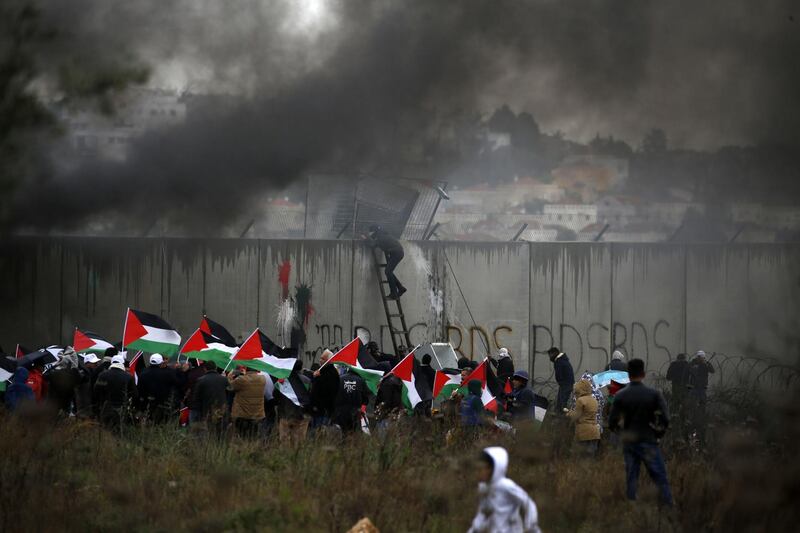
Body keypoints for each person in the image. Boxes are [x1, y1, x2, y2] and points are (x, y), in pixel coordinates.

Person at [608, 358, 673, 506]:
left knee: (631, 476)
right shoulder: (653, 394)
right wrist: (657, 435)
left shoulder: (621, 395)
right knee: (659, 476)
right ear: (643, 374)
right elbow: (666, 419)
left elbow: (612, 421)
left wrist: (622, 433)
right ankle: (667, 506)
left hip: (630, 441)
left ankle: (632, 507)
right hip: (648, 439)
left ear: (629, 375)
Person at [468, 446, 541, 533]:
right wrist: (474, 529)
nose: (478, 473)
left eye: (481, 469)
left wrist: (531, 526)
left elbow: (528, 502)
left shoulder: (506, 486)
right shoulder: (483, 488)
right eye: (477, 469)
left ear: (492, 468)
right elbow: (483, 513)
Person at [137, 354, 185, 423]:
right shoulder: (167, 373)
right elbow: (180, 383)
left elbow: (140, 389)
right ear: (161, 362)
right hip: (163, 404)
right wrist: (180, 371)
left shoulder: (143, 372)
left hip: (147, 403)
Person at [93, 357, 137, 429]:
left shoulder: (102, 375)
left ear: (112, 363)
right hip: (122, 407)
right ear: (122, 364)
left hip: (106, 406)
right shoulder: (128, 377)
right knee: (119, 430)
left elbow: (96, 391)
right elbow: (135, 394)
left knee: (105, 429)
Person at [192, 360, 229, 436]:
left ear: (205, 369)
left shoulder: (201, 380)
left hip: (207, 410)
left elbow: (196, 397)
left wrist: (198, 410)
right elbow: (230, 392)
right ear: (215, 368)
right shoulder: (224, 379)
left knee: (209, 431)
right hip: (221, 409)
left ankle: (210, 445)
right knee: (221, 431)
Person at [368, 225, 406, 300]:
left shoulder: (380, 238)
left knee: (388, 272)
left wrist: (366, 239)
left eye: (372, 234)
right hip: (397, 252)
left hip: (396, 253)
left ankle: (394, 293)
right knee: (389, 272)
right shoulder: (382, 234)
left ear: (375, 233)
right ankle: (401, 288)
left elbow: (372, 245)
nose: (372, 236)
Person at [228, 366, 267, 438]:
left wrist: (229, 377)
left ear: (246, 370)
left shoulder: (241, 379)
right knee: (253, 435)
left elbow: (230, 387)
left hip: (243, 413)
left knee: (242, 435)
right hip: (257, 413)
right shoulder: (262, 379)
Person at [566, 378, 601, 457]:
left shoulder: (581, 400)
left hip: (584, 432)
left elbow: (576, 416)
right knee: (590, 458)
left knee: (580, 457)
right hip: (595, 432)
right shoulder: (594, 400)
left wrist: (569, 414)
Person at [45, 348, 82, 415]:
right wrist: (75, 367)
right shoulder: (73, 374)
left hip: (55, 402)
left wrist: (54, 366)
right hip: (66, 402)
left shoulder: (55, 373)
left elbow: (45, 376)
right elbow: (80, 379)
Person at [688, 350, 715, 443]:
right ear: (697, 357)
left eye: (702, 357)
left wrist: (706, 363)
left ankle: (702, 416)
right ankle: (691, 416)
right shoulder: (693, 363)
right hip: (694, 387)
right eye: (699, 357)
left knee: (702, 404)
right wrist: (694, 366)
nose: (700, 359)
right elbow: (689, 369)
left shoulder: (706, 363)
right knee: (692, 404)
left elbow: (712, 371)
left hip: (702, 387)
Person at [333, 367, 368, 433]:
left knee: (341, 431)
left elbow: (334, 394)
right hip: (355, 412)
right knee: (352, 432)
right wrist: (362, 409)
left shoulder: (340, 378)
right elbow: (365, 399)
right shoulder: (361, 380)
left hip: (340, 411)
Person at [310, 350, 339, 428]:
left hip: (323, 409)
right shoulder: (322, 371)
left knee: (320, 431)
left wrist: (317, 378)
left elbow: (324, 390)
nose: (320, 360)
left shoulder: (330, 373)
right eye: (320, 358)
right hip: (318, 409)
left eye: (323, 359)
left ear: (328, 361)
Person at [665, 353, 691, 425]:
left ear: (677, 359)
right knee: (685, 405)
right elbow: (692, 376)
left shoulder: (674, 365)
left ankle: (673, 423)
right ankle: (685, 421)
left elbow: (668, 377)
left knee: (675, 405)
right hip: (685, 388)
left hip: (676, 387)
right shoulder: (687, 365)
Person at [548, 347, 574, 411]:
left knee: (562, 404)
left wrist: (560, 382)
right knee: (561, 402)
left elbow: (559, 374)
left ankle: (561, 418)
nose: (550, 357)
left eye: (550, 355)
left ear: (554, 353)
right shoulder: (563, 360)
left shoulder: (559, 362)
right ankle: (560, 416)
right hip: (568, 383)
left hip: (565, 384)